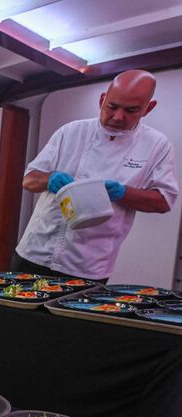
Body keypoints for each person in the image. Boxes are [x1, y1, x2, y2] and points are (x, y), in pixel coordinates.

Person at [13, 70, 178, 281]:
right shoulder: (71, 132)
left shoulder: (157, 145)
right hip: (35, 251)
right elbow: (29, 180)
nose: (118, 116)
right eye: (112, 106)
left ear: (148, 108)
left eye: (131, 110)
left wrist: (121, 192)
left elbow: (163, 201)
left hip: (89, 265)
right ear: (102, 100)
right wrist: (50, 179)